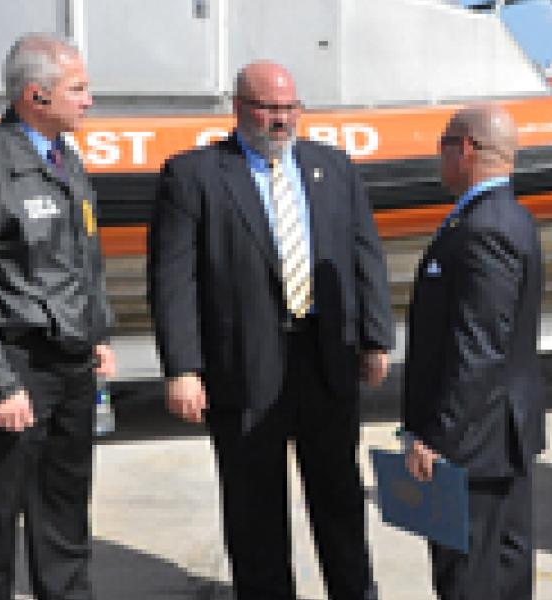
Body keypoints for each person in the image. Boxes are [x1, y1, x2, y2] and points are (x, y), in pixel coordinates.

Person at [146, 61, 394, 600]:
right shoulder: (194, 176)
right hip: (243, 367)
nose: (280, 120)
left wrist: (377, 337)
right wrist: (182, 368)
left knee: (340, 501)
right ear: (238, 107)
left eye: (289, 108)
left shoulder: (334, 168)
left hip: (325, 362)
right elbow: (173, 279)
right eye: (268, 108)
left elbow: (364, 255)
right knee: (254, 509)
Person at [0, 32, 115, 600]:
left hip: (70, 366)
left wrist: (97, 332)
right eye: (78, 89)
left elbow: (84, 257)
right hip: (12, 367)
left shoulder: (66, 159)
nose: (89, 100)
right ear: (36, 95)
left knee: (64, 507)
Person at [402, 104, 545, 600]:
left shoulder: (485, 228)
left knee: (468, 577)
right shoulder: (510, 217)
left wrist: (437, 436)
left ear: (465, 148)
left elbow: (478, 347)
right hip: (498, 434)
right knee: (502, 570)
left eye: (442, 146)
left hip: (475, 441)